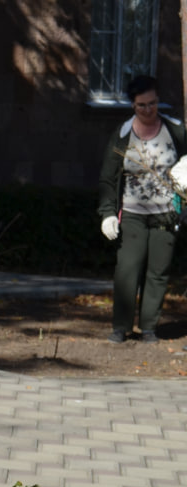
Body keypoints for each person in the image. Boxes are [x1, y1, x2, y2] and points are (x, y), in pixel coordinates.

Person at [98, 74, 186, 344]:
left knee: (158, 271)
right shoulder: (123, 135)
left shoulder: (175, 131)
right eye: (141, 105)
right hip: (133, 214)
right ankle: (120, 327)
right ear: (133, 106)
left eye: (153, 103)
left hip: (166, 214)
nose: (149, 110)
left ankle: (149, 327)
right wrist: (108, 213)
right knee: (127, 268)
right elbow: (108, 177)